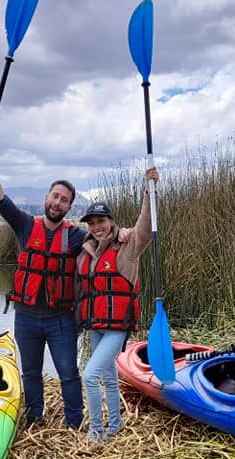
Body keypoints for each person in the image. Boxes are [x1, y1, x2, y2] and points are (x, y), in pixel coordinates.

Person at [0, 143, 87, 429]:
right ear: (46, 198)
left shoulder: (77, 237)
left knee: (68, 373)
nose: (58, 203)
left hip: (60, 319)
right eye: (55, 196)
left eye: (64, 200)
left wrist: (122, 233)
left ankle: (74, 423)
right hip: (25, 317)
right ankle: (35, 419)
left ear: (69, 207)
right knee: (30, 372)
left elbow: (106, 237)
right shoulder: (25, 225)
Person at [76, 167, 158, 443]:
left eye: (101, 221)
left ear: (111, 222)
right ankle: (114, 425)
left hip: (117, 327)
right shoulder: (86, 252)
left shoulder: (128, 246)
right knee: (109, 377)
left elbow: (145, 227)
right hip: (95, 326)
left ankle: (96, 431)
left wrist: (149, 190)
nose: (96, 227)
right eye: (91, 223)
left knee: (90, 375)